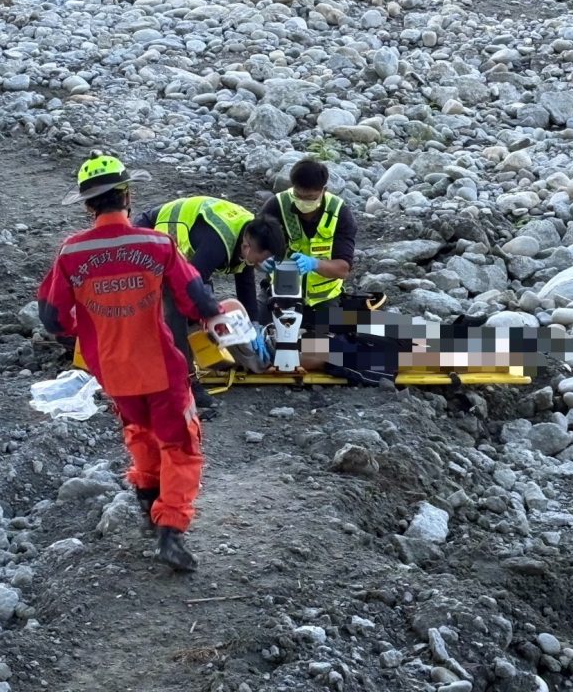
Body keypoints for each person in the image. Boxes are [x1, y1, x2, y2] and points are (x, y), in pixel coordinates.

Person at [36, 153, 224, 573]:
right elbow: (196, 298)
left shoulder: (71, 253)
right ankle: (171, 529)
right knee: (180, 443)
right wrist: (216, 318)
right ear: (128, 195)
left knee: (139, 431)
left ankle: (146, 498)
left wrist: (86, 330)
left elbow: (51, 318)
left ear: (88, 206)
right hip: (162, 366)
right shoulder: (156, 244)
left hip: (113, 372)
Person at [132, 196, 284, 408]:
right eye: (261, 258)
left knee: (201, 306)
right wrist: (209, 314)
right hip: (147, 236)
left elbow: (245, 281)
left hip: (186, 253)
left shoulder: (251, 231)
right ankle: (185, 380)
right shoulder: (217, 244)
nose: (262, 264)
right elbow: (187, 287)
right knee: (178, 307)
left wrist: (255, 323)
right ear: (247, 246)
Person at [260, 158, 357, 330]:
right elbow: (252, 247)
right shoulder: (276, 206)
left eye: (310, 197)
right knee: (257, 336)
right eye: (299, 196)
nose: (304, 202)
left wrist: (314, 264)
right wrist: (260, 261)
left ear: (323, 190)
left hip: (323, 299)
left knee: (325, 350)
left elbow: (343, 269)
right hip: (279, 293)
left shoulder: (339, 213)